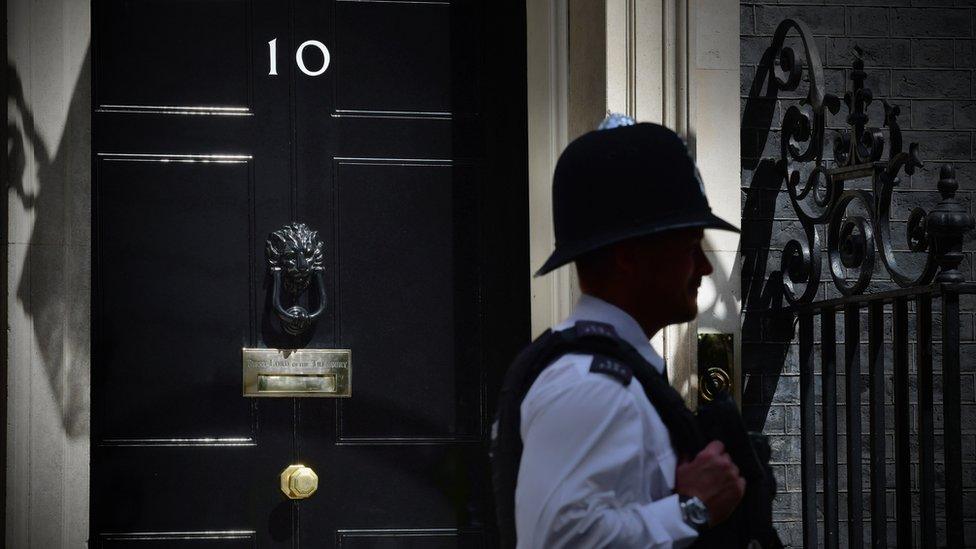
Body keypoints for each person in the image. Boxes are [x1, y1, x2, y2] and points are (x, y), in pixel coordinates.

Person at [491, 114, 748, 548]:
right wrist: (695, 507)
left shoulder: (602, 373)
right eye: (690, 248)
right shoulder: (592, 387)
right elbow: (561, 541)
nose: (705, 268)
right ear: (628, 257)